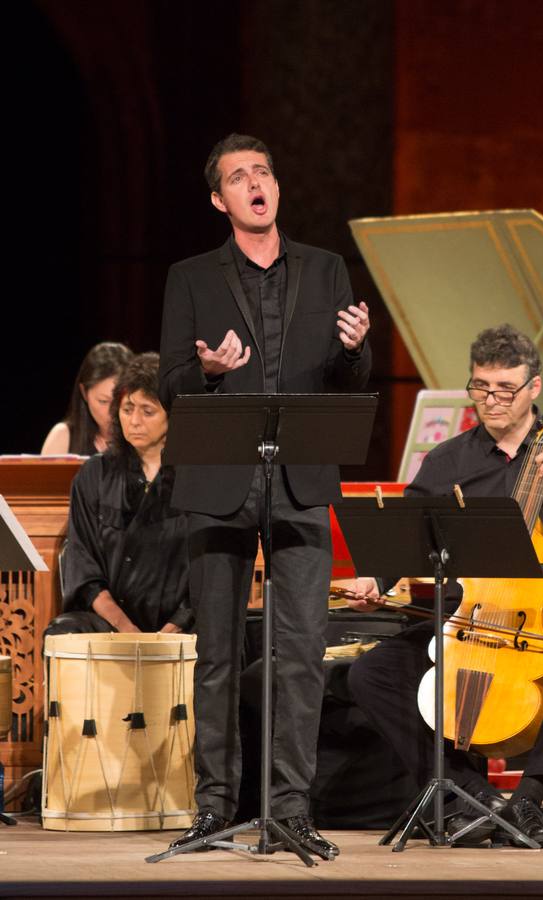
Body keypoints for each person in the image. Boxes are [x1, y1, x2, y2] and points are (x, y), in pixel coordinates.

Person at [159, 133, 371, 858]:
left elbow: (349, 387)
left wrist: (354, 350)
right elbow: (170, 388)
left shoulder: (325, 269)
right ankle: (215, 807)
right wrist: (209, 371)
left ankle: (290, 809)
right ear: (220, 199)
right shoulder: (190, 277)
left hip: (301, 481)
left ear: (276, 189)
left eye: (264, 173)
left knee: (301, 654)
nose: (256, 183)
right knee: (216, 656)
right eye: (239, 176)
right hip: (218, 484)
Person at [345, 324, 543, 848]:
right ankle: (469, 794)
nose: (491, 400)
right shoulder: (448, 460)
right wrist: (378, 576)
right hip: (465, 620)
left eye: (505, 389)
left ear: (533, 389)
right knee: (371, 673)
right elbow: (407, 538)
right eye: (480, 387)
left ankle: (529, 798)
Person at [47, 352, 191, 637]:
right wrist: (128, 631)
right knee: (64, 632)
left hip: (181, 625)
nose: (134, 421)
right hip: (113, 625)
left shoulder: (196, 477)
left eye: (147, 411)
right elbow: (84, 569)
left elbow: (207, 572)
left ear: (172, 416)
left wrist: (171, 631)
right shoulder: (94, 475)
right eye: (127, 409)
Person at [41, 342, 132, 456]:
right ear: (84, 393)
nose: (112, 411)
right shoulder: (63, 437)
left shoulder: (148, 440)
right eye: (103, 401)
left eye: (120, 400)